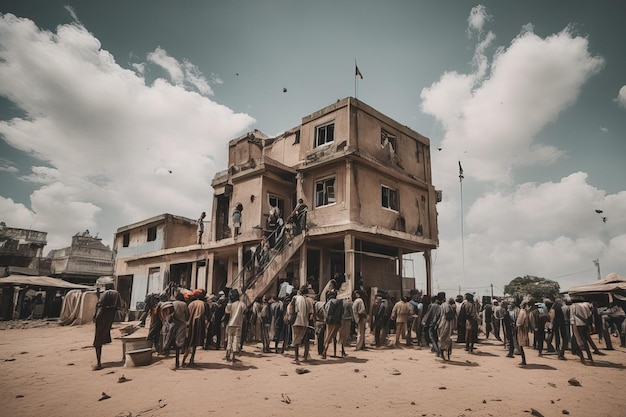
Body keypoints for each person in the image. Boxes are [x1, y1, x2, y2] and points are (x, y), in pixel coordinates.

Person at [92, 284, 122, 370]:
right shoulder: (116, 294)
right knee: (101, 338)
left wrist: (96, 318)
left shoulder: (105, 294)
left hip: (102, 318)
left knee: (97, 342)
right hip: (109, 318)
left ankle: (98, 364)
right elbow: (119, 306)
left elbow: (101, 308)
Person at [182, 290, 207, 367]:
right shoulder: (204, 304)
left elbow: (186, 315)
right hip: (199, 326)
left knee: (188, 343)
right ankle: (191, 359)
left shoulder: (191, 304)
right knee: (195, 344)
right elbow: (207, 316)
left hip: (190, 326)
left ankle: (183, 361)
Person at [291, 285, 313, 364]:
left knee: (296, 340)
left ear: (299, 291)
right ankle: (306, 356)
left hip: (297, 321)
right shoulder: (310, 300)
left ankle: (296, 358)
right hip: (305, 323)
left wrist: (291, 319)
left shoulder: (295, 298)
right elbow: (311, 315)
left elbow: (291, 309)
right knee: (306, 340)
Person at [225, 289, 247, 362]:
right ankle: (233, 357)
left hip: (230, 324)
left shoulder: (230, 305)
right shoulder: (242, 304)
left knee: (229, 339)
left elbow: (227, 313)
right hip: (238, 325)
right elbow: (244, 314)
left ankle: (227, 354)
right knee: (236, 340)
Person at [321, 290, 343, 359]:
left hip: (330, 321)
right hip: (338, 321)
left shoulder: (330, 302)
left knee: (328, 337)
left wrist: (325, 320)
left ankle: (324, 352)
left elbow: (326, 312)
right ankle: (335, 352)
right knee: (335, 337)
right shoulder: (340, 302)